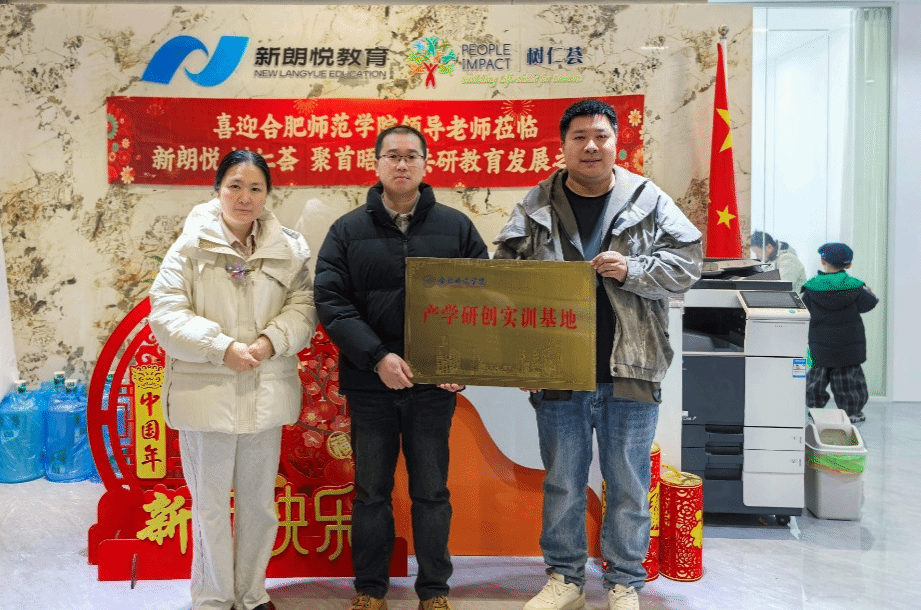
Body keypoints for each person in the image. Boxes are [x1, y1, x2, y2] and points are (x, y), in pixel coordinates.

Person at [493, 99, 703, 610]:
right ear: (563, 145)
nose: (591, 146)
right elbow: (504, 279)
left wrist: (634, 270)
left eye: (601, 136)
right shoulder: (536, 205)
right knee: (562, 483)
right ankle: (564, 579)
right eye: (579, 136)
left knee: (629, 484)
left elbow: (688, 263)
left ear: (616, 143)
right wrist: (522, 358)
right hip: (559, 371)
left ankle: (624, 583)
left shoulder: (649, 200)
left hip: (632, 368)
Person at [314, 124, 489, 610]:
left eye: (412, 155)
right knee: (371, 491)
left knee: (431, 490)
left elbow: (485, 299)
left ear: (426, 164)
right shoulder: (347, 230)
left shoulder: (457, 227)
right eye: (392, 155)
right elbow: (331, 302)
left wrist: (461, 361)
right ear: (376, 164)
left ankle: (434, 590)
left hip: (433, 386)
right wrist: (377, 357)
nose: (402, 163)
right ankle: (370, 589)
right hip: (370, 384)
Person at [149, 150, 316, 610]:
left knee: (260, 506)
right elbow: (166, 314)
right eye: (235, 186)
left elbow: (304, 307)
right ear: (217, 190)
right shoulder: (189, 247)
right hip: (207, 396)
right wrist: (221, 347)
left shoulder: (289, 249)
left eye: (255, 188)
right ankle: (212, 597)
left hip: (265, 391)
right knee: (209, 506)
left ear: (267, 194)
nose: (245, 198)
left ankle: (252, 594)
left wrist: (269, 341)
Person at [800, 242, 878, 424]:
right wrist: (871, 294)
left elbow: (804, 311)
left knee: (815, 380)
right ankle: (852, 412)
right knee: (850, 382)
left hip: (819, 345)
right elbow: (868, 304)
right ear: (848, 264)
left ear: (823, 261)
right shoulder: (855, 286)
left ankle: (813, 408)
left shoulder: (811, 288)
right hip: (849, 347)